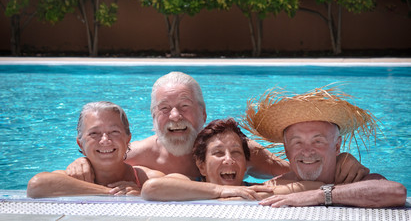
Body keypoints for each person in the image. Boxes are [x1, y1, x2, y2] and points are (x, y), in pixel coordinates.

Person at [66, 72, 368, 183]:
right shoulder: (134, 158)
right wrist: (84, 162)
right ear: (153, 117)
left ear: (203, 113)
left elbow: (301, 169)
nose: (175, 116)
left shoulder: (236, 152)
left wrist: (341, 161)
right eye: (164, 109)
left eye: (185, 106)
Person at [242, 86, 407, 208]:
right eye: (297, 142)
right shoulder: (275, 187)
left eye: (318, 141)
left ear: (337, 146)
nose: (307, 151)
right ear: (286, 149)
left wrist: (319, 195)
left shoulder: (354, 177)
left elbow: (396, 192)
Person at [141, 118, 323, 201]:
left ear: (245, 166)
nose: (229, 160)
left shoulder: (255, 190)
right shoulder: (186, 184)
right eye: (218, 153)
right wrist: (219, 191)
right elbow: (152, 188)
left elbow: (319, 186)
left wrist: (264, 193)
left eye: (236, 153)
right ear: (201, 166)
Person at [27, 101, 164, 198]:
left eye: (114, 132)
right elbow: (36, 185)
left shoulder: (143, 178)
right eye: (94, 133)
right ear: (80, 144)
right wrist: (108, 192)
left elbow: (182, 186)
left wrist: (142, 193)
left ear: (128, 139)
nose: (105, 140)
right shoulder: (73, 177)